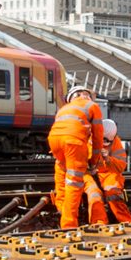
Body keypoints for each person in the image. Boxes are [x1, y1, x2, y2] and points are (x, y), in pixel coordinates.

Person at [49, 85, 105, 228]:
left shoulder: (63, 109)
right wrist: (94, 161)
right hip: (73, 141)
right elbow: (98, 137)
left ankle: (61, 209)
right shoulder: (92, 106)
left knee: (62, 177)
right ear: (86, 95)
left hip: (54, 141)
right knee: (74, 182)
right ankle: (68, 225)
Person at [94, 118, 131, 223]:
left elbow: (121, 166)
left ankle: (126, 222)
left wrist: (108, 159)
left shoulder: (116, 142)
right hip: (91, 174)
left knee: (113, 192)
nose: (105, 143)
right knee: (94, 195)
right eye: (103, 140)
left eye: (108, 141)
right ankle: (99, 223)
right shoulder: (90, 140)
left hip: (109, 174)